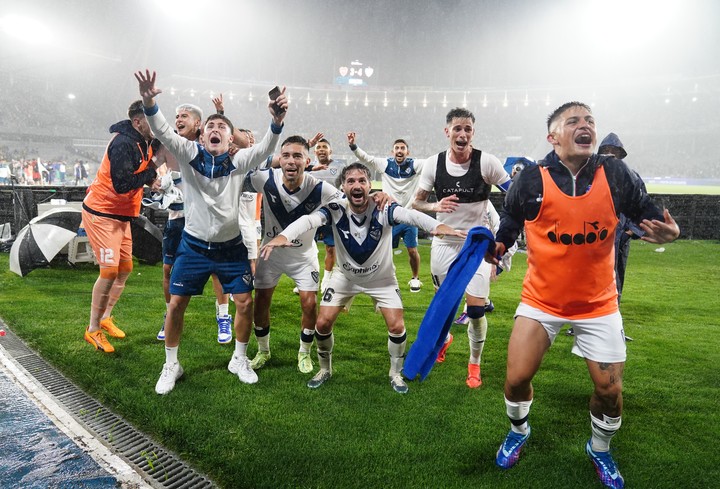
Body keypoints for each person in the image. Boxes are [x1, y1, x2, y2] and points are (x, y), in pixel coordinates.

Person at [488, 102, 679, 489]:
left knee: (609, 391)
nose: (585, 125)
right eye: (573, 121)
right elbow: (510, 220)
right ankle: (519, 431)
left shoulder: (615, 173)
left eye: (589, 120)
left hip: (599, 304)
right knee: (515, 379)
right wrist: (500, 246)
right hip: (542, 301)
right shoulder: (531, 179)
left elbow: (646, 211)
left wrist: (667, 231)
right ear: (553, 136)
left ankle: (600, 448)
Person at [135, 69, 287, 395]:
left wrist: (276, 123)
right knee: (176, 305)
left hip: (230, 247)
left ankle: (239, 358)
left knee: (244, 304)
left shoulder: (240, 160)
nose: (216, 129)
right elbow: (163, 130)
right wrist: (149, 102)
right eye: (212, 127)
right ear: (202, 136)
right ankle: (172, 364)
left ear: (231, 140)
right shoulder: (189, 155)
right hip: (193, 245)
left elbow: (263, 149)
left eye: (223, 128)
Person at [261, 162, 464, 393]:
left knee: (397, 327)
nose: (356, 185)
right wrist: (283, 236)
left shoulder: (384, 208)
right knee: (322, 323)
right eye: (350, 181)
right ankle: (325, 369)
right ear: (343, 187)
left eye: (362, 181)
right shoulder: (335, 209)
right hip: (345, 277)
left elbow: (411, 216)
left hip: (382, 279)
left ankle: (394, 373)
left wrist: (438, 226)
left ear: (370, 186)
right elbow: (309, 221)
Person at [411, 107, 511, 389]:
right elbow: (416, 203)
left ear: (473, 133)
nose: (462, 134)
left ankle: (474, 364)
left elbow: (513, 194)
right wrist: (435, 205)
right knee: (443, 307)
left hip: (476, 247)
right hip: (444, 244)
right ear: (447, 132)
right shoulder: (434, 164)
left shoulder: (487, 162)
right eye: (457, 128)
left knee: (476, 311)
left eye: (467, 129)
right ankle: (445, 340)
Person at [244, 135, 343, 373]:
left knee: (309, 305)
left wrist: (379, 197)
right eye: (286, 155)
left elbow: (349, 202)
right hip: (271, 254)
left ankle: (304, 353)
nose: (291, 161)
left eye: (297, 156)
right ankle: (263, 351)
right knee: (261, 302)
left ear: (307, 160)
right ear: (280, 158)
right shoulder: (266, 178)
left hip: (304, 257)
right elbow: (235, 176)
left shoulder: (320, 188)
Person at [81, 100, 158, 353]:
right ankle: (92, 330)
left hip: (121, 215)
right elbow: (123, 184)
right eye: (150, 118)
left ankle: (105, 317)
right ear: (137, 122)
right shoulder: (123, 143)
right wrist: (151, 177)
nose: (156, 123)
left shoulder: (145, 140)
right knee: (109, 272)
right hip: (102, 214)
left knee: (125, 268)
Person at [347, 132, 427, 292]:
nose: (399, 150)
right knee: (382, 250)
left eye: (402, 148)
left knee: (412, 250)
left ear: (407, 152)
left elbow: (434, 163)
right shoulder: (385, 164)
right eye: (397, 148)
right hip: (389, 215)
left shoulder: (416, 165)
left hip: (409, 216)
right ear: (392, 151)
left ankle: (415, 279)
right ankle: (382, 278)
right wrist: (353, 146)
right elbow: (366, 158)